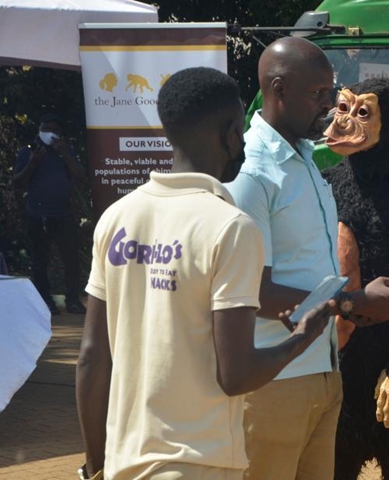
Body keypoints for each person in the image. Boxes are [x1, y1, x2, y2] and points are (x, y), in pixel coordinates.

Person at [75, 67, 333, 480]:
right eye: (241, 134)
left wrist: (95, 466)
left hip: (124, 463)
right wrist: (303, 337)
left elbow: (91, 358)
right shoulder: (230, 227)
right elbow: (236, 376)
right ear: (232, 133)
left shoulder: (116, 218)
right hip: (200, 463)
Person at [224, 37, 389, 480]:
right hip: (272, 383)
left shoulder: (305, 159)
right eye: (318, 94)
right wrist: (355, 302)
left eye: (331, 91)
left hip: (322, 373)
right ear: (279, 90)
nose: (329, 106)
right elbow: (252, 291)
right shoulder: (251, 173)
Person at [12, 113, 86, 315]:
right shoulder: (27, 152)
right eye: (46, 128)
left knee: (71, 258)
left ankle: (73, 300)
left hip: (64, 213)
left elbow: (80, 175)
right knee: (40, 260)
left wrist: (65, 153)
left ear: (59, 132)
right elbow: (17, 182)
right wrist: (33, 163)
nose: (49, 133)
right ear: (39, 129)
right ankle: (46, 302)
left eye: (54, 129)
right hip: (38, 214)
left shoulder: (65, 149)